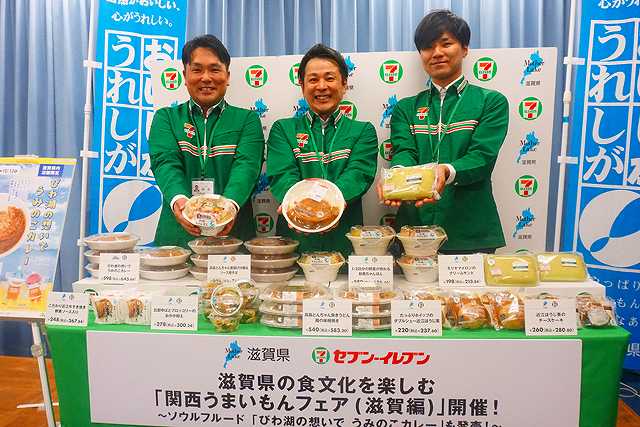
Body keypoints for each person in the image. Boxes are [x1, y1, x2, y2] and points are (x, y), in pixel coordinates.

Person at [384, 10, 509, 254]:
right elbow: (404, 151)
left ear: (464, 49)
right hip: (413, 230)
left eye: (446, 43)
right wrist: (396, 176)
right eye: (428, 47)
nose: (437, 53)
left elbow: (482, 157)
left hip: (470, 231)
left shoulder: (490, 102)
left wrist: (446, 171)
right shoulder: (406, 108)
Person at [148, 35, 264, 248]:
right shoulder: (166, 118)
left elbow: (247, 167)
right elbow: (165, 163)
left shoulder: (247, 120)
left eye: (215, 69)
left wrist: (228, 207)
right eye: (197, 70)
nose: (206, 78)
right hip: (178, 234)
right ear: (184, 75)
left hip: (232, 233)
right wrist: (180, 202)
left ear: (227, 76)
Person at [267, 44, 378, 257]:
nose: (321, 86)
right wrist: (301, 210)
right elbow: (283, 176)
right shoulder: (283, 129)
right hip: (295, 239)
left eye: (329, 78)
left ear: (344, 84)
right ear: (302, 86)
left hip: (344, 241)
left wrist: (328, 208)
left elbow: (357, 174)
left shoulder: (363, 131)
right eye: (313, 79)